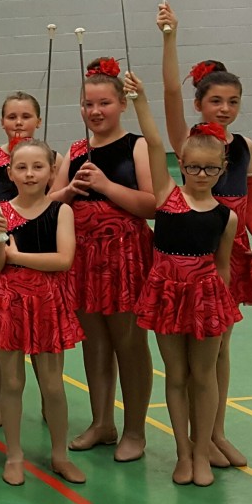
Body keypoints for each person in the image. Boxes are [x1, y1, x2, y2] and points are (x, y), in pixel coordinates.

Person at [159, 4, 252, 468]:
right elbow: (167, 91)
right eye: (215, 102)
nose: (224, 110)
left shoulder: (243, 147)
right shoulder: (189, 141)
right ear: (200, 105)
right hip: (194, 257)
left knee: (221, 347)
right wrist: (170, 37)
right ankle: (194, 444)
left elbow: (251, 201)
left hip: (231, 251)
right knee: (197, 355)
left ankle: (216, 432)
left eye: (232, 102)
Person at [128, 71, 240, 487]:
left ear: (222, 168)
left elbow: (224, 267)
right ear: (182, 166)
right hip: (166, 293)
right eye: (193, 166)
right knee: (175, 376)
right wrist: (140, 99)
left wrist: (223, 311)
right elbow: (155, 143)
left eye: (210, 169)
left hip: (207, 297)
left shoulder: (225, 217)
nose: (201, 174)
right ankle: (181, 453)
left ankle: (202, 450)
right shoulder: (166, 197)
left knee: (204, 376)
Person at [52, 59, 155, 463]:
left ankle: (135, 430)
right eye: (87, 104)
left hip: (125, 256)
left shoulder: (139, 145)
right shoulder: (75, 151)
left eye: (104, 103)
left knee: (129, 343)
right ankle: (101, 422)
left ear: (121, 105)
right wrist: (71, 191)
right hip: (84, 256)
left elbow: (152, 205)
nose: (95, 111)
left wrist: (107, 186)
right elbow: (47, 203)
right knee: (94, 344)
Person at [0, 139, 85, 487]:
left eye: (38, 167)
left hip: (47, 303)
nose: (29, 174)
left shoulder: (61, 211)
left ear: (52, 172)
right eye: (21, 168)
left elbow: (63, 260)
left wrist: (18, 257)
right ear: (10, 173)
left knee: (53, 386)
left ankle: (59, 455)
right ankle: (14, 454)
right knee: (11, 383)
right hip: (10, 302)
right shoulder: (0, 213)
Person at [0, 93, 68, 428]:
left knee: (42, 334)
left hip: (36, 237)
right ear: (1, 121)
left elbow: (54, 200)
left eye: (25, 116)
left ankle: (47, 399)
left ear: (38, 121)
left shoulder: (45, 158)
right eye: (11, 116)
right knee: (3, 328)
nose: (18, 122)